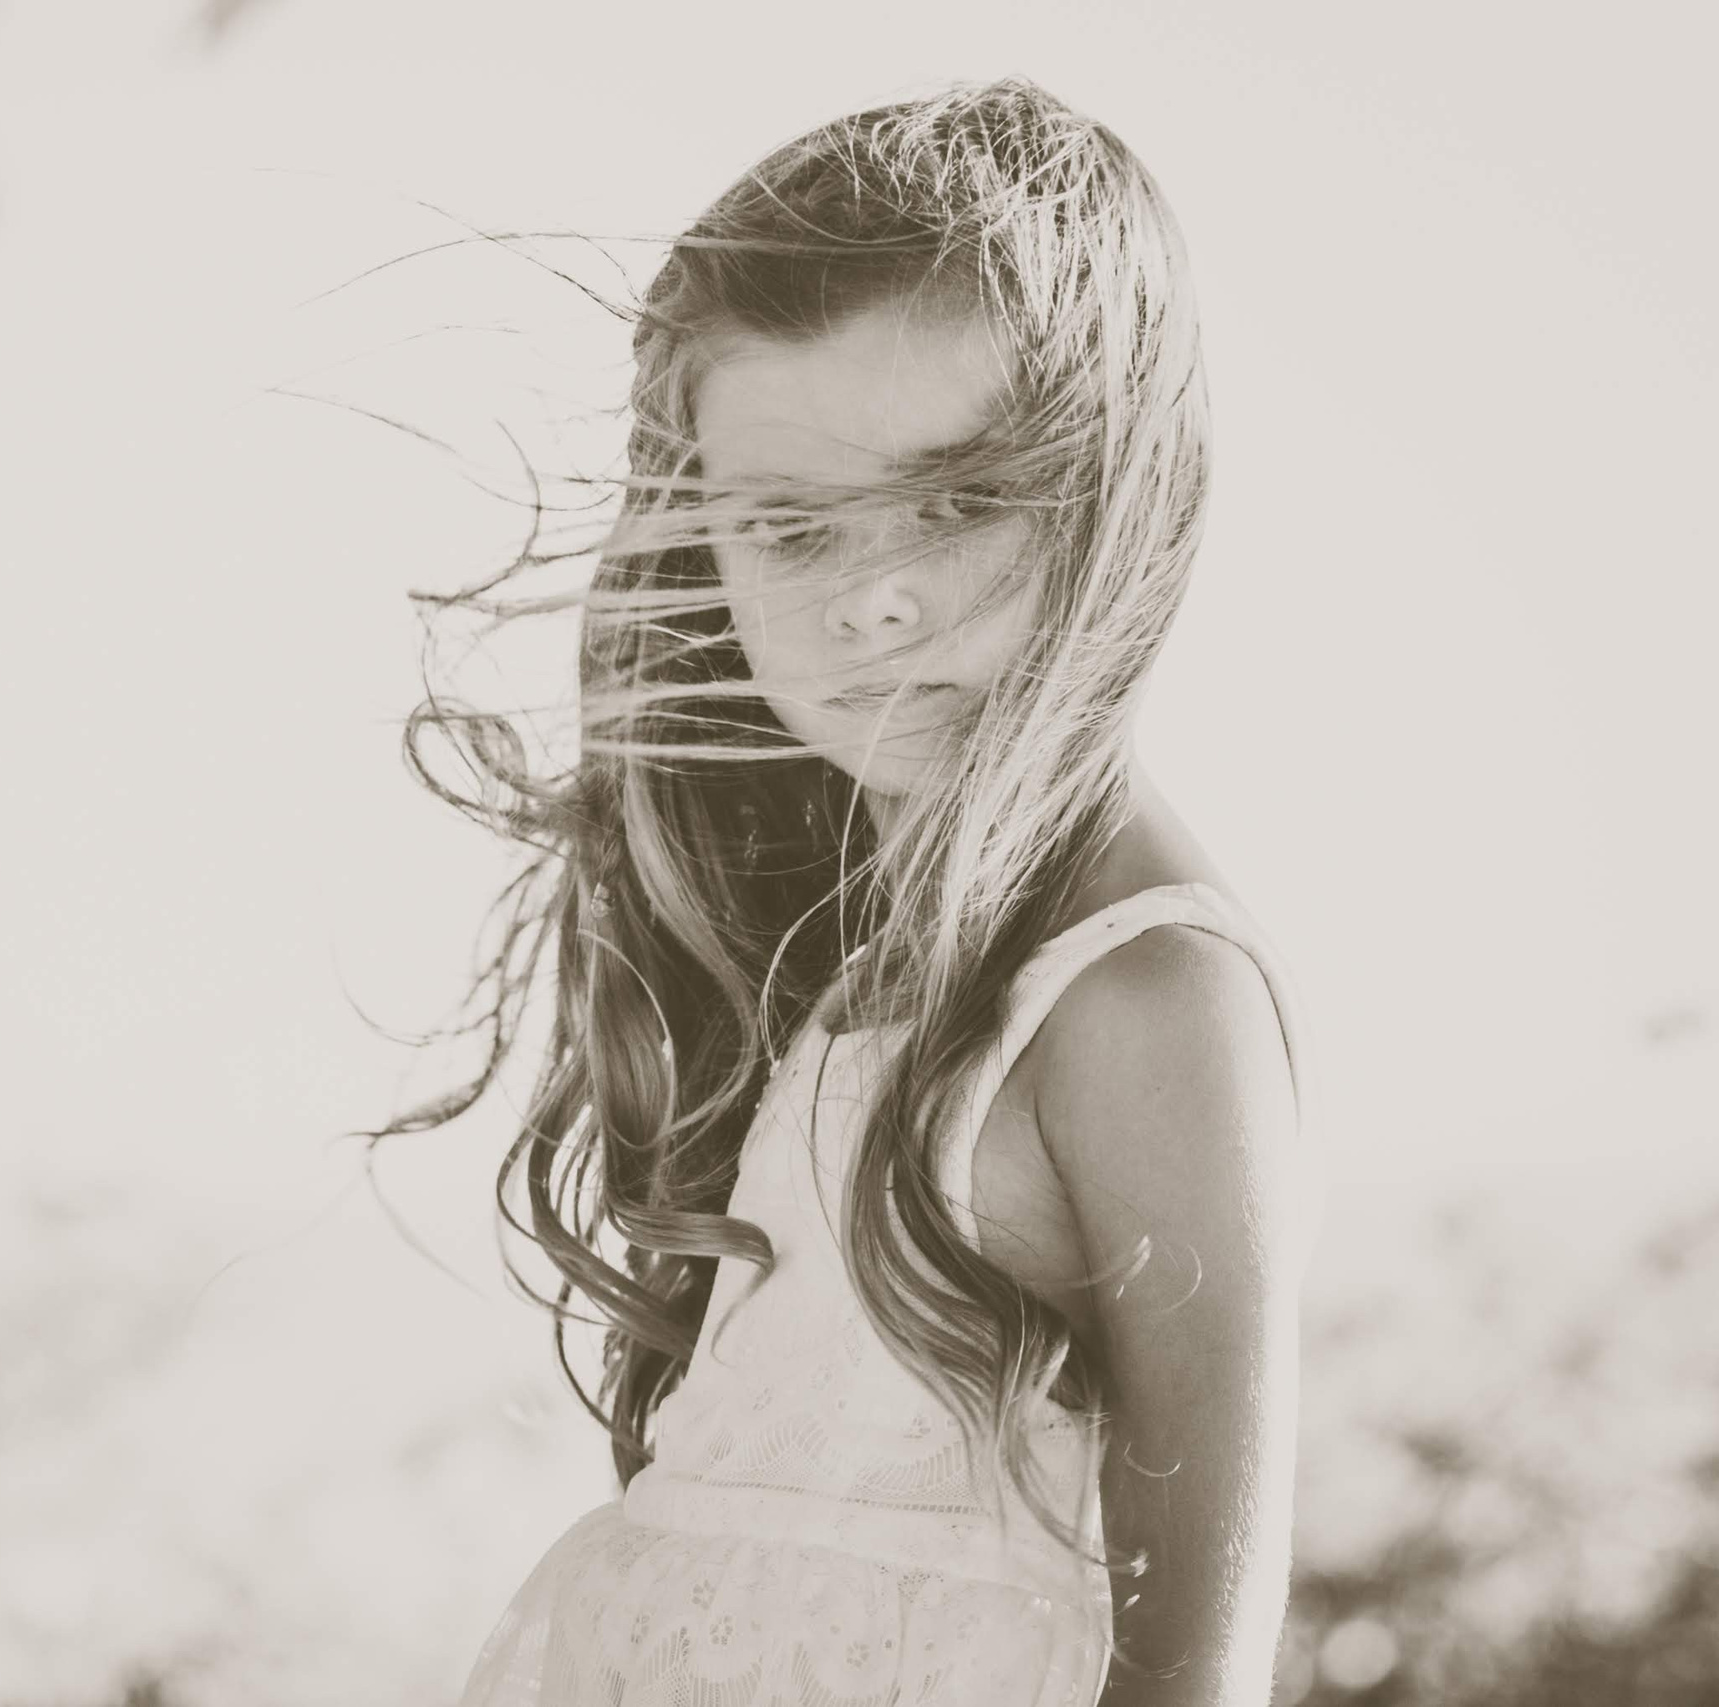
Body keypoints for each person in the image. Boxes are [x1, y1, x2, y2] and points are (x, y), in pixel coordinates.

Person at [387, 79, 1315, 1706]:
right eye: (792, 528)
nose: (878, 600)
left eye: (960, 501)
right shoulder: (837, 961)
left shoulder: (1141, 996)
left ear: (1125, 489)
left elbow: (1199, 1677)